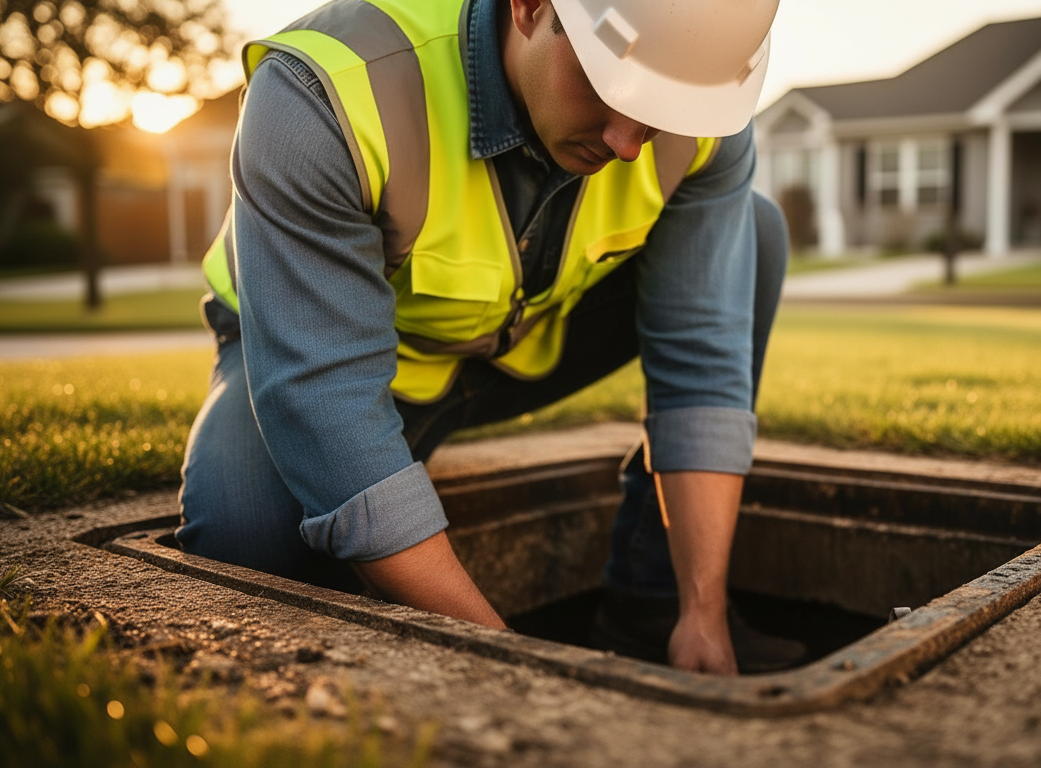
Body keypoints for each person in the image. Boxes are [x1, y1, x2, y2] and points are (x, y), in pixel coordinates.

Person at [177, 0, 796, 676]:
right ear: (528, 6)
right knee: (245, 539)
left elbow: (702, 358)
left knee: (753, 237)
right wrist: (515, 665)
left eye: (658, 108)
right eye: (607, 84)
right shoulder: (326, 92)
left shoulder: (702, 113)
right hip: (332, 357)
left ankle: (650, 604)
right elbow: (324, 403)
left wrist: (699, 612)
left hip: (525, 346)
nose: (626, 141)